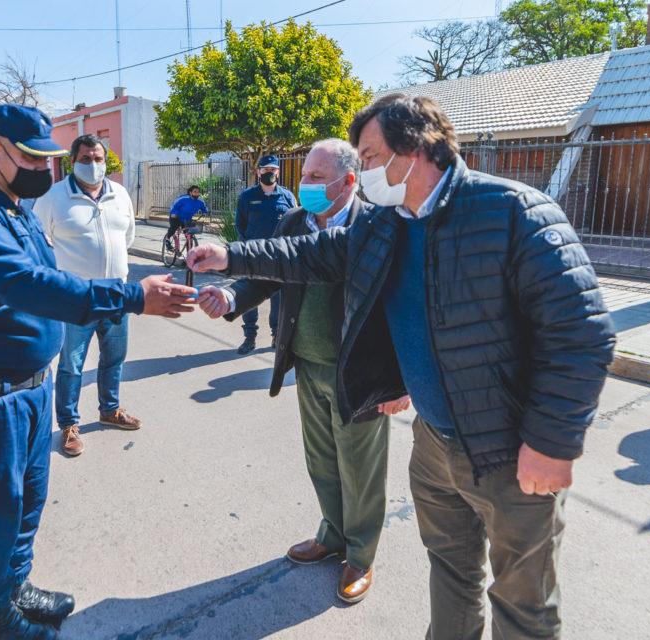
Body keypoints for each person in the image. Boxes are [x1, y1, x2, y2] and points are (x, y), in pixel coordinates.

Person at [190, 94, 616, 639]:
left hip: (508, 452)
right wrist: (230, 256)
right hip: (435, 447)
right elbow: (309, 255)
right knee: (453, 575)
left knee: (523, 604)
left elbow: (582, 335)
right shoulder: (389, 224)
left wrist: (553, 442)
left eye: (368, 157)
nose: (362, 171)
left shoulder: (513, 212)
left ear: (412, 150)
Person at [0, 104, 196, 640]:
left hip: (28, 389)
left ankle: (15, 589)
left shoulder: (15, 207)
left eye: (51, 158)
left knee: (26, 501)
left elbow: (53, 272)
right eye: (33, 157)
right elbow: (25, 285)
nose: (45, 170)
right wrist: (133, 296)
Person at [198, 138, 411, 604]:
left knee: (361, 469)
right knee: (322, 462)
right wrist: (231, 296)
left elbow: (403, 308)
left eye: (315, 177)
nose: (303, 184)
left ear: (349, 181)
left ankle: (360, 554)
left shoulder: (375, 226)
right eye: (305, 175)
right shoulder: (295, 221)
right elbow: (272, 269)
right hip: (307, 364)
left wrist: (401, 382)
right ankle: (331, 534)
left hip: (359, 374)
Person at [33, 134, 142, 457]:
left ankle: (110, 410)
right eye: (85, 159)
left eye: (98, 159)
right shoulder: (53, 198)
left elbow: (128, 237)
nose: (93, 165)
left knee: (114, 359)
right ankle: (68, 424)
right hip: (75, 299)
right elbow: (38, 244)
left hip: (116, 295)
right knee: (71, 365)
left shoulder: (120, 194)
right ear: (72, 162)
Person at [233, 154, 297, 354]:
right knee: (250, 298)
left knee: (278, 300)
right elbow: (240, 224)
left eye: (273, 170)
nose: (269, 173)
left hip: (278, 258)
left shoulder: (287, 196)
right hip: (253, 256)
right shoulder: (248, 196)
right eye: (265, 169)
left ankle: (276, 336)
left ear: (278, 172)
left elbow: (294, 222)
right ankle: (249, 338)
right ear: (259, 171)